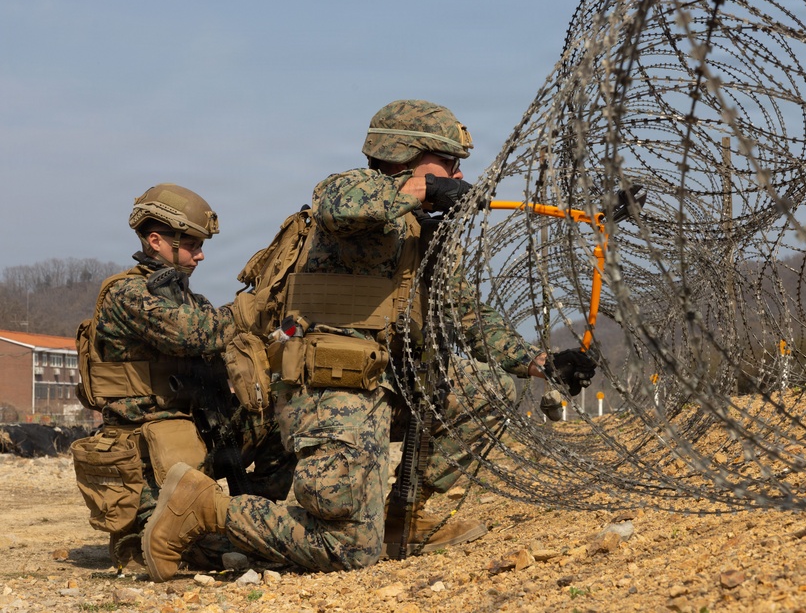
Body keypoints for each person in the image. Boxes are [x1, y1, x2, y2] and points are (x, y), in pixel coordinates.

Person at [141, 101, 596, 580]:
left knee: (490, 389)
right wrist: (420, 190)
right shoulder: (353, 196)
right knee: (348, 550)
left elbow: (467, 317)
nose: (459, 173)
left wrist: (540, 361)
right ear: (407, 154)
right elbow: (341, 203)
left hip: (392, 381)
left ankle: (407, 520)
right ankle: (201, 507)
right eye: (449, 161)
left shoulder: (422, 231)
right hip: (334, 386)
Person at [71, 183, 292, 570]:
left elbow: (220, 338)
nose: (201, 255)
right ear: (156, 240)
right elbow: (193, 332)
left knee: (278, 418)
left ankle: (253, 516)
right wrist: (251, 308)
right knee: (170, 547)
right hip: (146, 440)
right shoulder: (128, 294)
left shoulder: (190, 299)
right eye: (191, 244)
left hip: (197, 430)